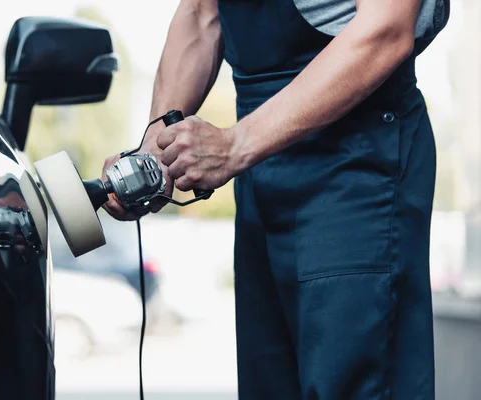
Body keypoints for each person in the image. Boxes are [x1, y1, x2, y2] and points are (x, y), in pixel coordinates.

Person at [102, 0, 449, 398]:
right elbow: (200, 13)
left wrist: (236, 145)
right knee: (269, 385)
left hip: (356, 159)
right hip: (260, 163)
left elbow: (386, 28)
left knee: (352, 382)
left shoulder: (245, 145)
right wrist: (154, 152)